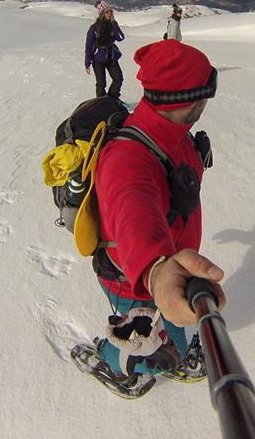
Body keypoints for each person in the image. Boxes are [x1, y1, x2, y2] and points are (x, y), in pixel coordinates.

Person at [89, 39, 226, 390]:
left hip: (171, 269)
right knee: (143, 345)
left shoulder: (172, 133)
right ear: (192, 100)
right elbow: (132, 208)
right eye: (207, 93)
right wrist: (156, 270)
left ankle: (170, 353)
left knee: (170, 326)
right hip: (135, 281)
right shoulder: (128, 158)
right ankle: (113, 363)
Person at [85, 0, 124, 99]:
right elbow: (89, 46)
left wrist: (114, 23)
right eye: (107, 11)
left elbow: (120, 37)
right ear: (102, 13)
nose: (110, 13)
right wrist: (87, 62)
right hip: (98, 58)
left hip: (111, 56)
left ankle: (113, 99)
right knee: (101, 83)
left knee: (118, 78)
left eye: (111, 11)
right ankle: (101, 103)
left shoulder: (112, 25)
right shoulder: (94, 28)